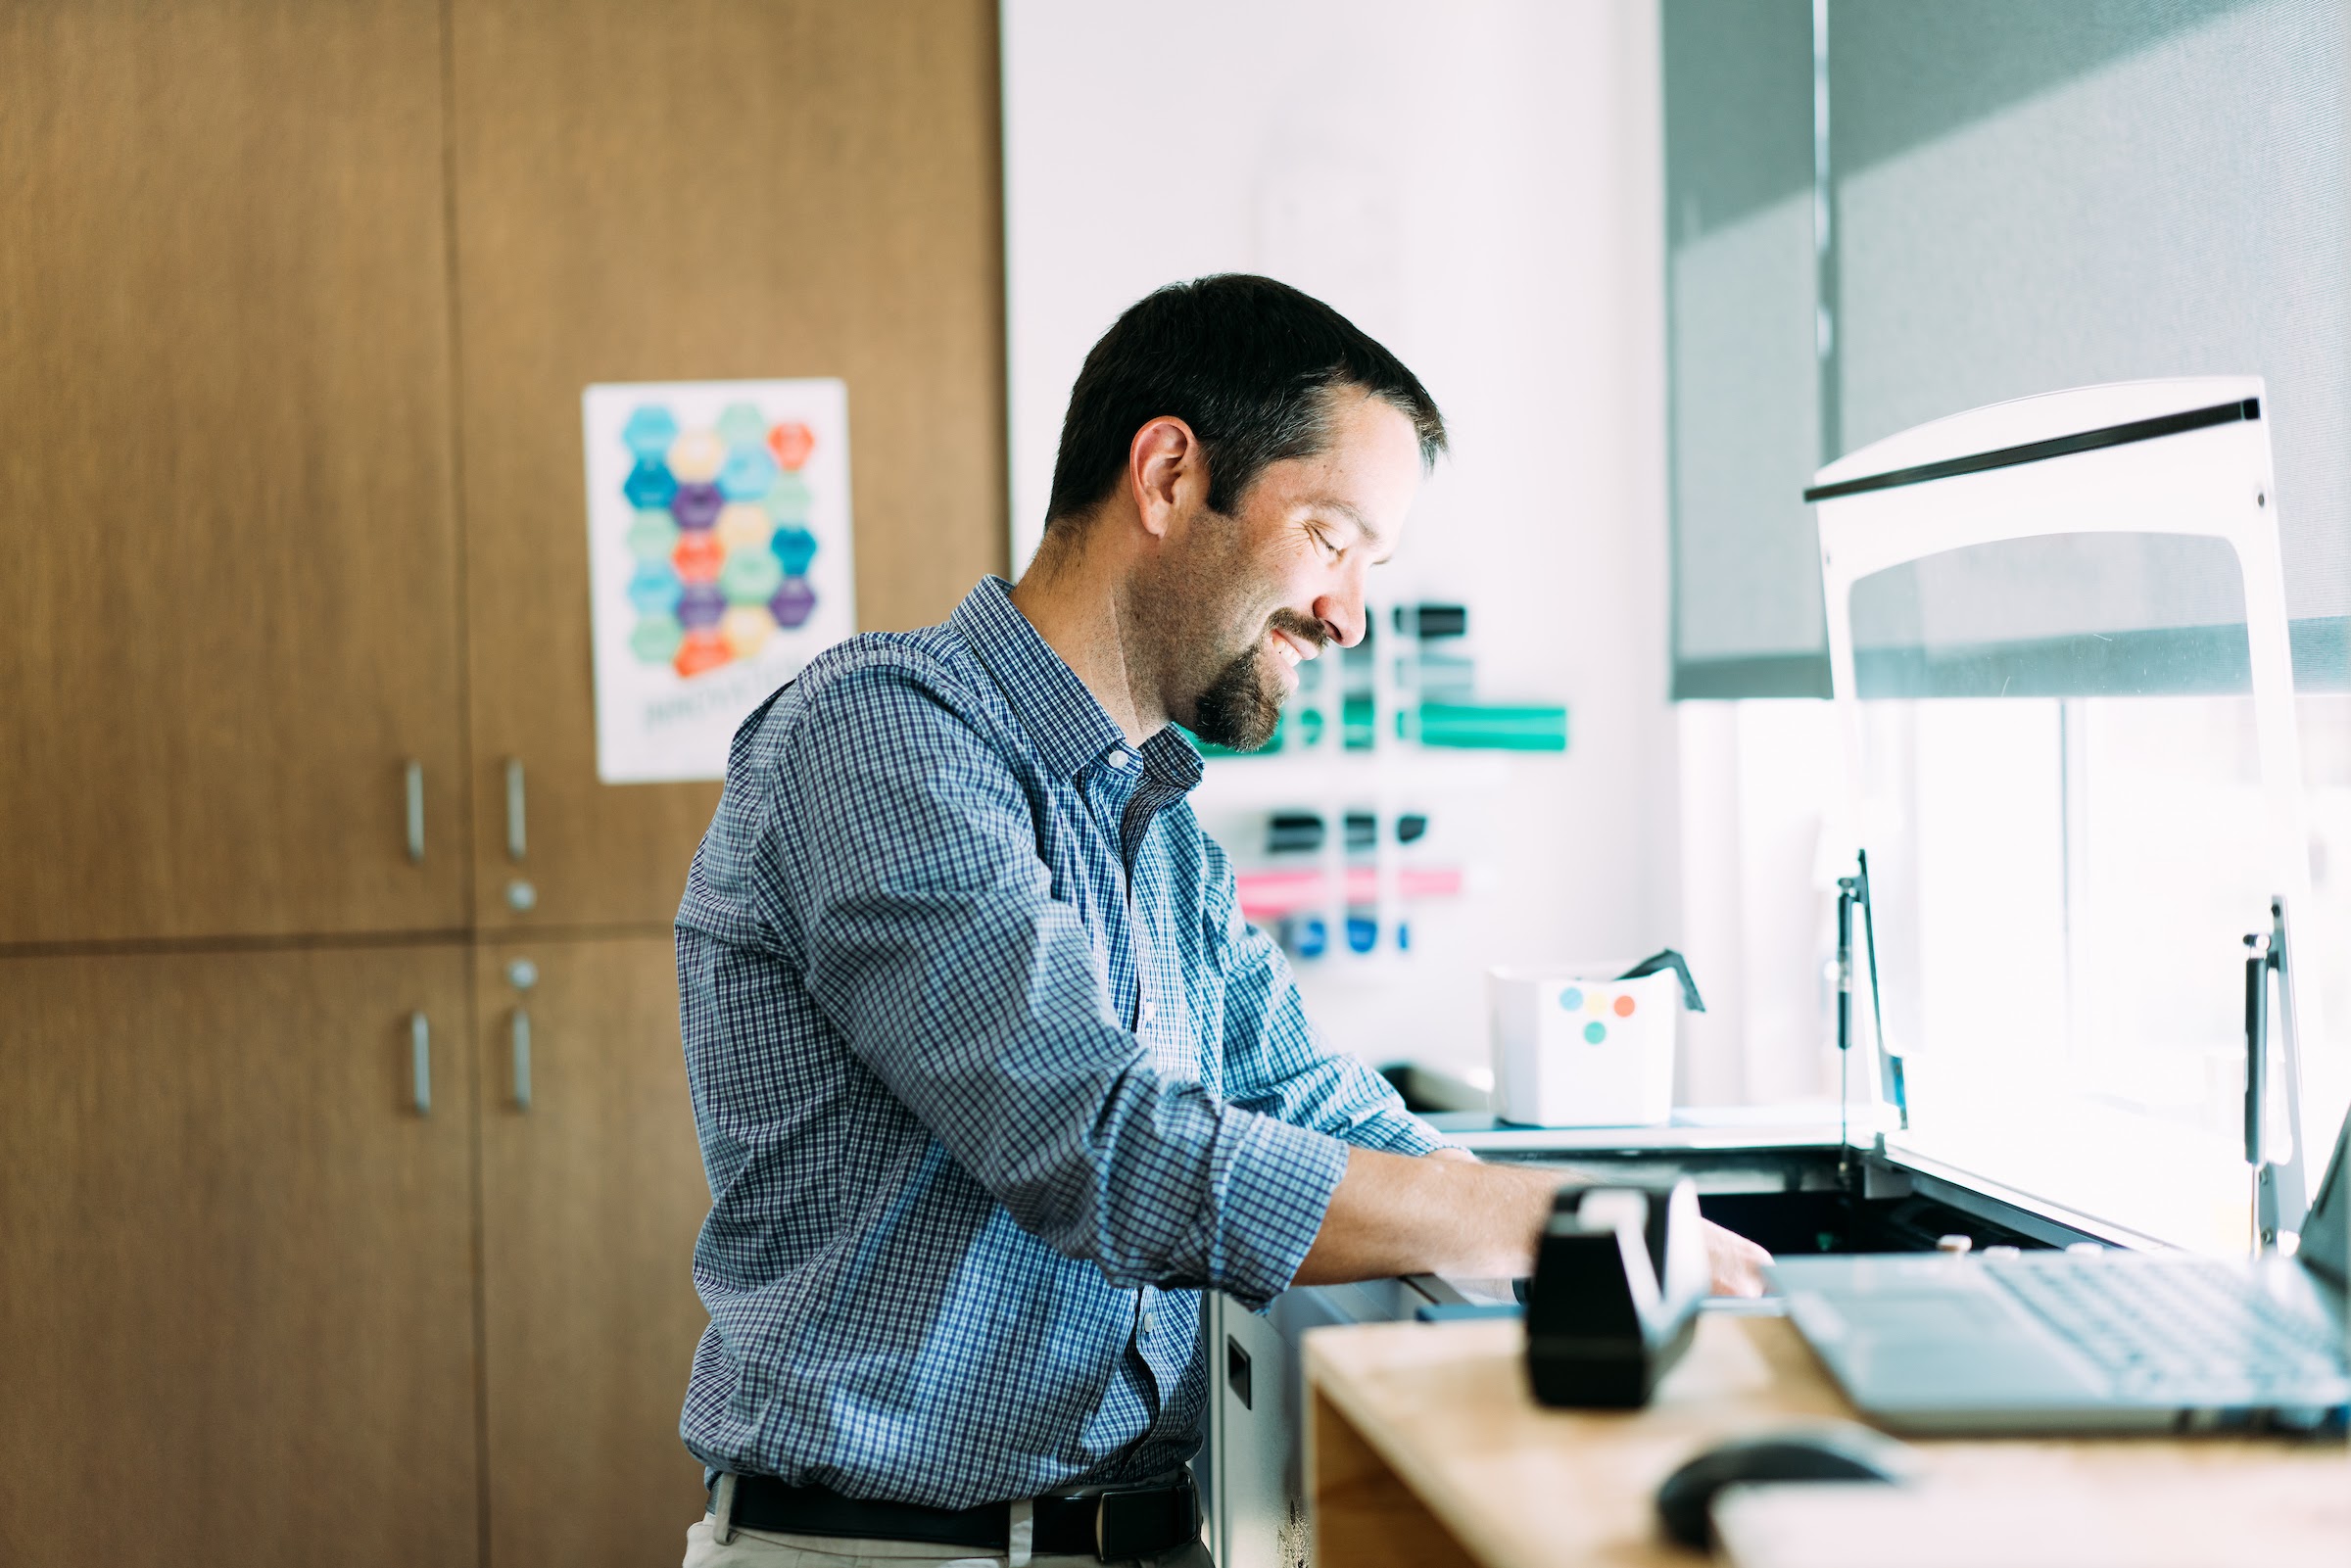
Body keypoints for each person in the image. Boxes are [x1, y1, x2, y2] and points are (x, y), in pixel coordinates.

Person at [674, 273, 1770, 1568]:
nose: (1349, 613)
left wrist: (1589, 1230)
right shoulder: (881, 738)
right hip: (894, 1551)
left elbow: (1306, 1093)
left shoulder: (1163, 834)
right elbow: (1102, 1148)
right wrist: (1544, 1218)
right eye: (1331, 537)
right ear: (1170, 475)